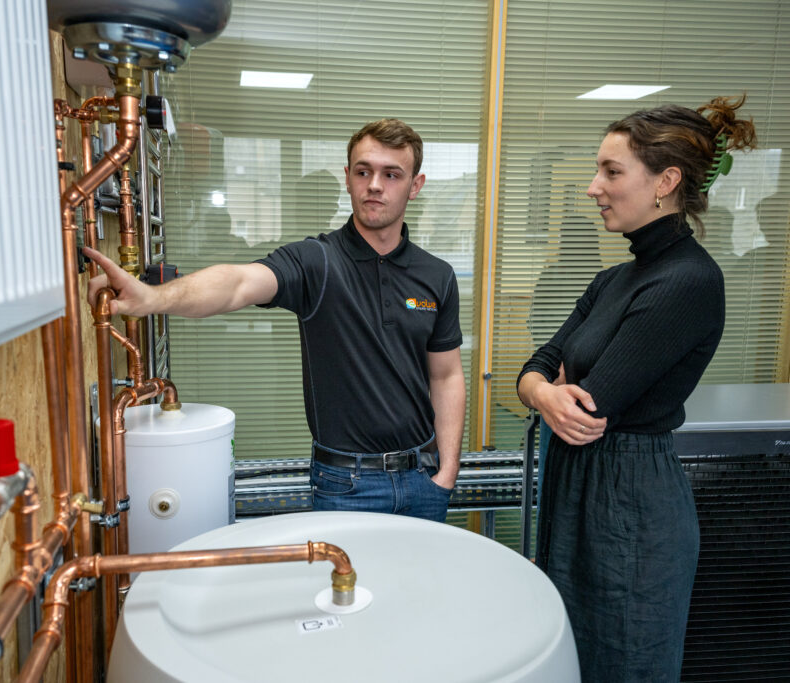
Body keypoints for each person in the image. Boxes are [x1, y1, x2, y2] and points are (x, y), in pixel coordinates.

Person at [84, 119, 466, 522]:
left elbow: (445, 376)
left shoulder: (436, 275)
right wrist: (152, 298)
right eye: (363, 171)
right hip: (346, 486)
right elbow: (237, 283)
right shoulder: (316, 262)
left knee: (423, 586)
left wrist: (447, 471)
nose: (374, 185)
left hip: (424, 480)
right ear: (348, 177)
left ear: (415, 185)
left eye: (392, 174)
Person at [516, 95, 757, 681]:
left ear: (665, 182)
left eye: (611, 171)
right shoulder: (614, 279)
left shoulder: (690, 280)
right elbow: (539, 364)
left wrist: (554, 389)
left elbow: (595, 404)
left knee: (624, 660)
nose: (594, 187)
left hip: (631, 502)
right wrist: (545, 391)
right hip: (576, 489)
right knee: (571, 656)